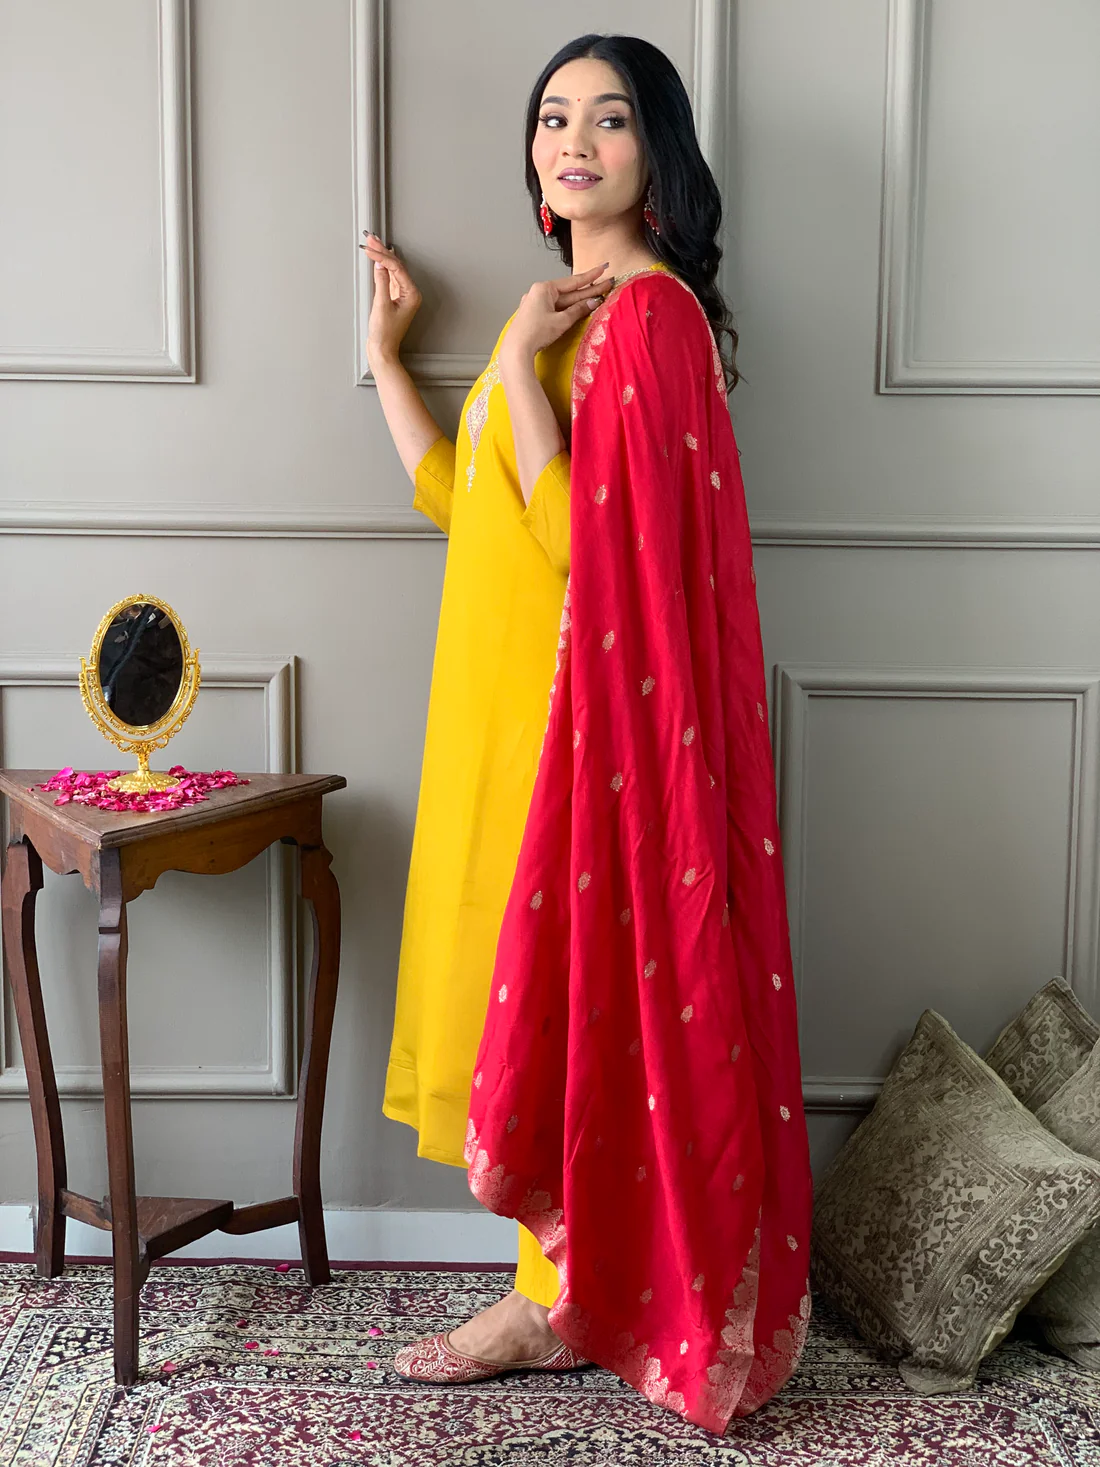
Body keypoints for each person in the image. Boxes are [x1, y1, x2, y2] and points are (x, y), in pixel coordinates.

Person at [362, 32, 813, 1435]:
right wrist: (389, 358)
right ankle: (561, 1291)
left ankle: (551, 1303)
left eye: (609, 119)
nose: (574, 141)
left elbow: (598, 561)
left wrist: (513, 360)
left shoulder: (650, 319)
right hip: (505, 723)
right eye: (554, 117)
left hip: (583, 733)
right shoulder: (573, 311)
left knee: (584, 1003)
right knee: (552, 1014)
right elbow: (469, 504)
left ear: (655, 151)